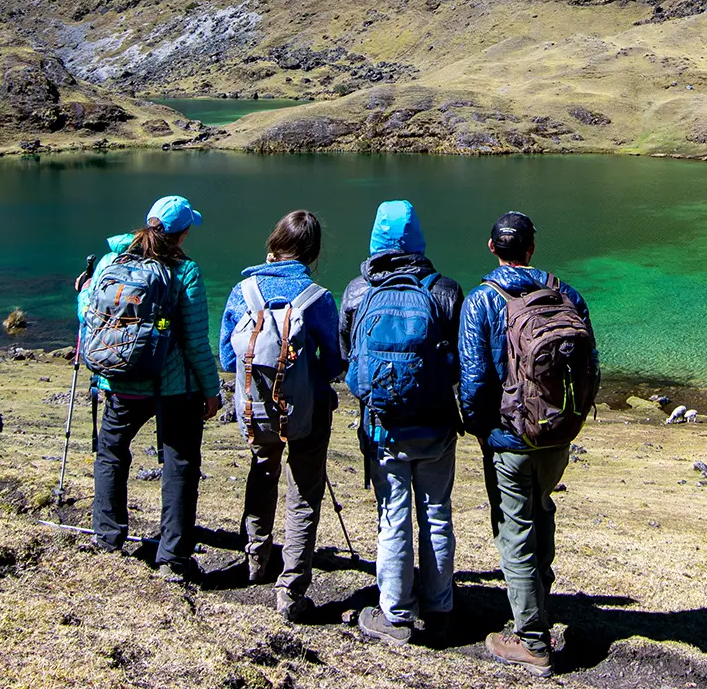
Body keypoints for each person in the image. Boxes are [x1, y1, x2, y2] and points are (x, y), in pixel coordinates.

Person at [458, 211, 598, 675]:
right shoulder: (566, 294)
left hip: (509, 438)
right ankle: (539, 605)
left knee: (515, 529)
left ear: (491, 247)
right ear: (532, 249)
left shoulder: (481, 300)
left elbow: (475, 380)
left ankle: (532, 640)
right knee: (542, 509)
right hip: (557, 433)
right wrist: (571, 420)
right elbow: (590, 366)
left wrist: (482, 429)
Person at [340, 200, 464, 645]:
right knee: (436, 513)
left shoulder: (357, 291)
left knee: (392, 515)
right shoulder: (445, 290)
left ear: (376, 238)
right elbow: (458, 364)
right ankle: (440, 606)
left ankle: (394, 614)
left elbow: (346, 361)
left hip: (382, 426)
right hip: (435, 424)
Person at [81, 195, 220, 582]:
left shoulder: (111, 262)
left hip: (119, 379)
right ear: (183, 232)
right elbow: (195, 340)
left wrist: (81, 292)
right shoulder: (185, 271)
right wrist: (211, 390)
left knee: (111, 452)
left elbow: (88, 315)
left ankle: (108, 538)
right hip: (174, 386)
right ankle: (173, 557)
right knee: (179, 464)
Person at [218, 210, 342, 623]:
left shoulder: (243, 291)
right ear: (313, 253)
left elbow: (225, 355)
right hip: (305, 410)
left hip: (255, 408)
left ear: (273, 243)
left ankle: (256, 560)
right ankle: (291, 589)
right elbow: (334, 362)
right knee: (304, 490)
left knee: (262, 470)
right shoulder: (318, 297)